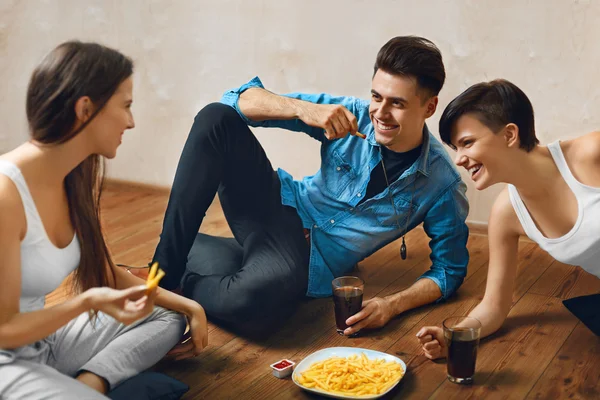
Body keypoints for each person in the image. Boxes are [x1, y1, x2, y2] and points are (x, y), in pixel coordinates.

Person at [152, 36, 469, 335]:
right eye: (376, 97)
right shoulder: (351, 114)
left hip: (304, 260)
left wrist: (392, 305)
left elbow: (449, 270)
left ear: (429, 107)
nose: (380, 113)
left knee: (258, 304)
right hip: (277, 207)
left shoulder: (441, 183)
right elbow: (235, 101)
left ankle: (196, 268)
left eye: (396, 103)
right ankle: (163, 276)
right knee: (215, 119)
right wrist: (305, 109)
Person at [0, 41, 208, 399]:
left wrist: (188, 305)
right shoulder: (6, 195)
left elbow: (104, 270)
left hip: (42, 345)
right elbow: (3, 329)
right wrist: (86, 302)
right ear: (85, 109)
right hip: (5, 361)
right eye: (126, 105)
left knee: (167, 317)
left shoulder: (73, 179)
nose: (131, 120)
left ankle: (90, 384)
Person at [417, 79, 600, 360]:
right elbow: (493, 307)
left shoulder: (590, 154)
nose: (459, 159)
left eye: (467, 143)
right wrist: (457, 335)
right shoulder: (507, 213)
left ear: (510, 134)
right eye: (456, 148)